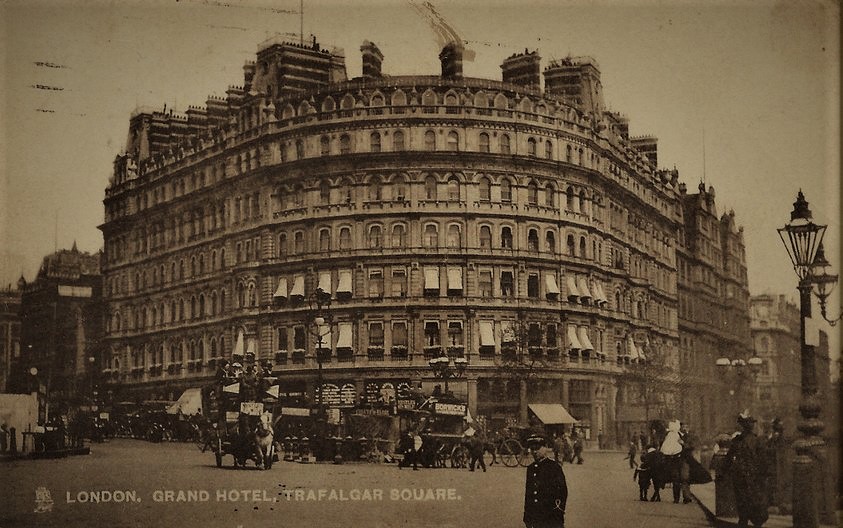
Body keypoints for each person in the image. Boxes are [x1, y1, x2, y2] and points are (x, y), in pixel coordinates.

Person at [724, 412, 769, 528]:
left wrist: (725, 472)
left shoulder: (737, 440)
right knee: (754, 498)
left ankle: (744, 520)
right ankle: (755, 522)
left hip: (741, 474)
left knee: (742, 499)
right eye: (750, 423)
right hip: (752, 474)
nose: (752, 426)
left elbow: (728, 459)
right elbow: (763, 461)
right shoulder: (757, 440)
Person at [524, 434, 568, 528]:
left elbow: (562, 492)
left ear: (546, 448)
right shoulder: (531, 468)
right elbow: (529, 494)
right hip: (535, 517)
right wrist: (527, 516)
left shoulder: (554, 467)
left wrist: (558, 512)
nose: (535, 452)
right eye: (532, 449)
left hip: (551, 517)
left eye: (538, 448)